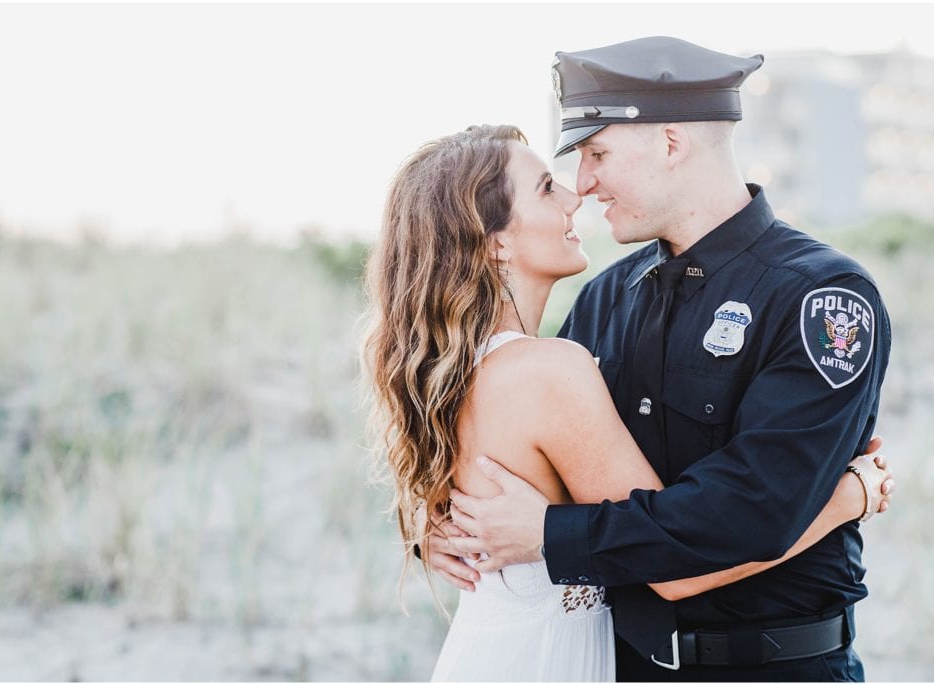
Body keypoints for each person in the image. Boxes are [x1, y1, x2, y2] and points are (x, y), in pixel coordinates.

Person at [363, 123, 894, 681]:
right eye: (549, 186)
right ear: (494, 240)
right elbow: (675, 569)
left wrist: (453, 524)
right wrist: (850, 494)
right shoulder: (591, 318)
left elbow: (526, 485)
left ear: (670, 142)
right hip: (580, 658)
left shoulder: (814, 290)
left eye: (597, 154)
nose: (579, 189)